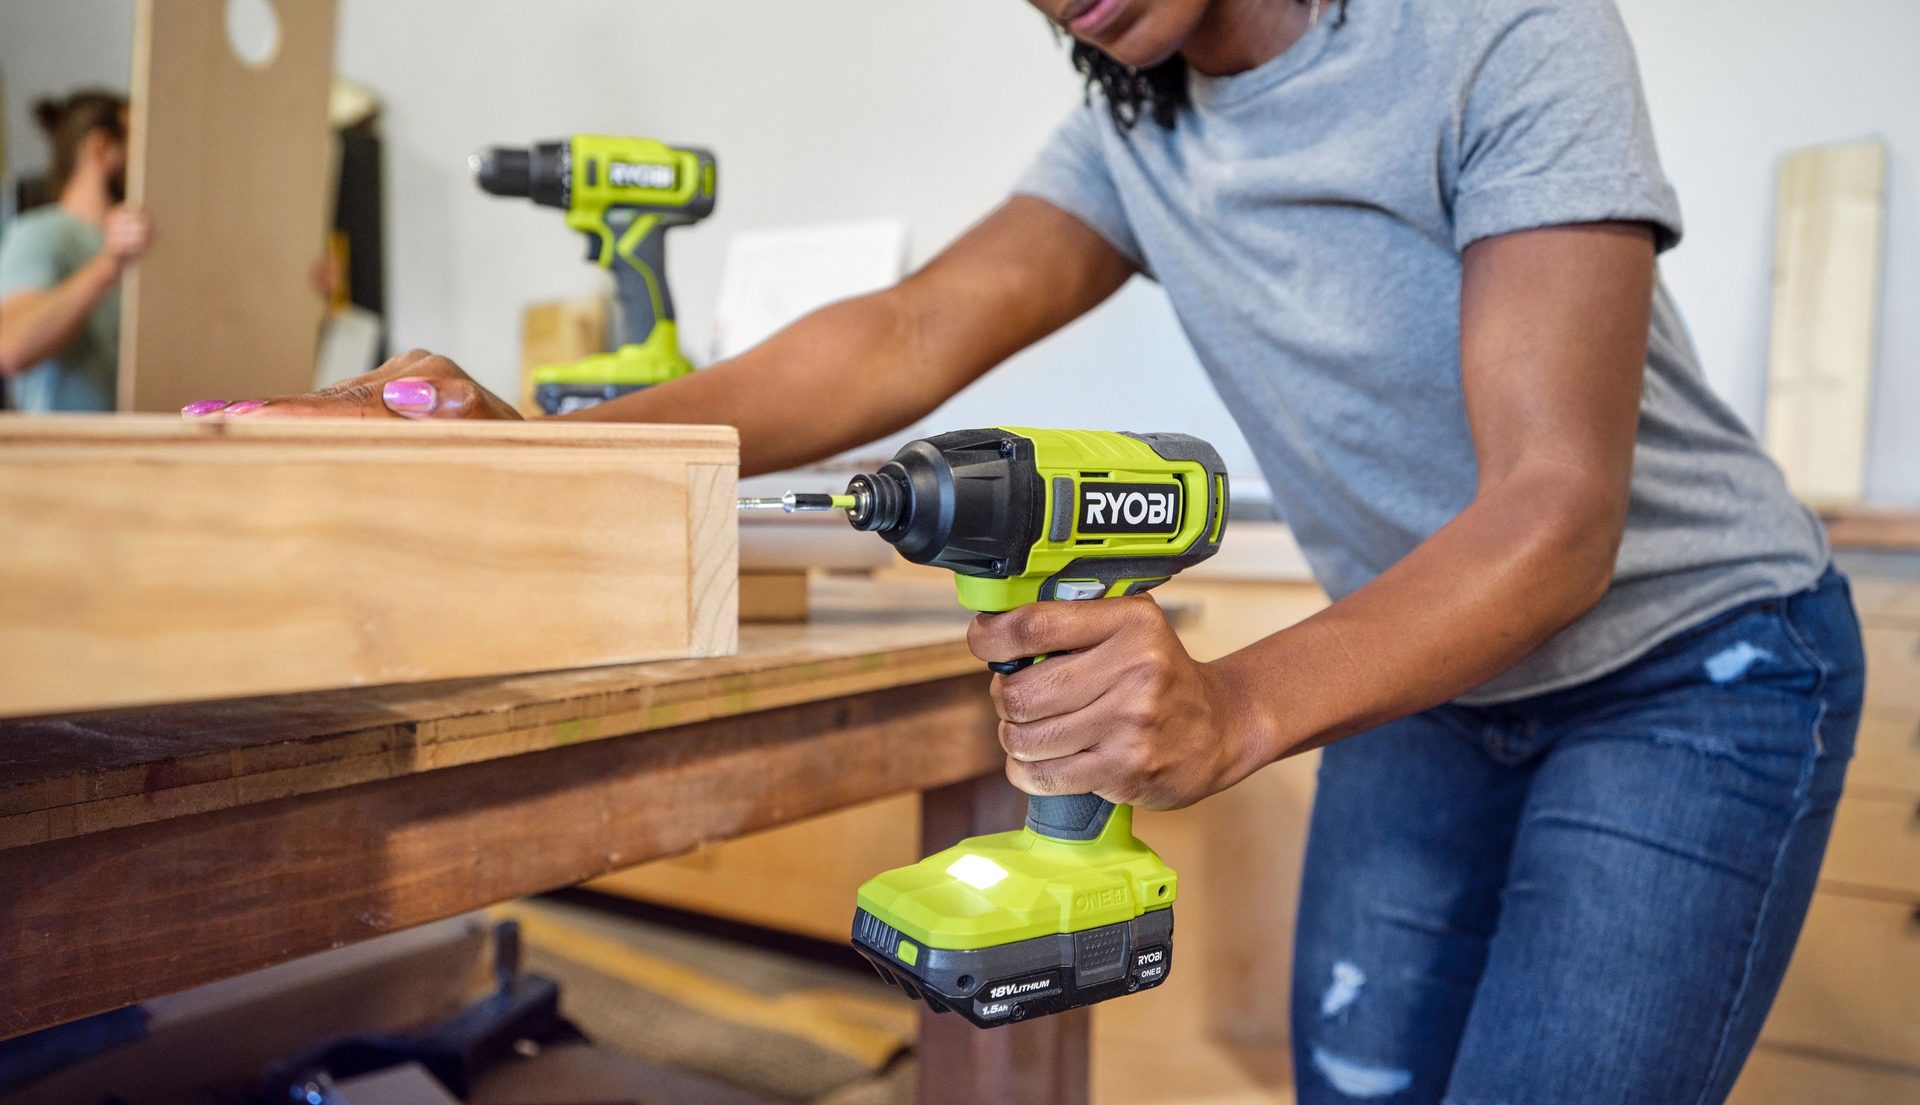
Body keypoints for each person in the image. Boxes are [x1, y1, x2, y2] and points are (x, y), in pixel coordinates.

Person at [187, 2, 1864, 1101]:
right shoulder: (1142, 128)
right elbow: (908, 330)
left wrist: (1235, 708)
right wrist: (547, 457)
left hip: (1688, 671)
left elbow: (1552, 515)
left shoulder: (1501, 33)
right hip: (1423, 680)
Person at [0, 90, 152, 412]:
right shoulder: (40, 234)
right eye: (137, 143)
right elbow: (9, 346)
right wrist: (109, 265)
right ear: (101, 148)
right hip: (65, 455)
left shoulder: (141, 245)